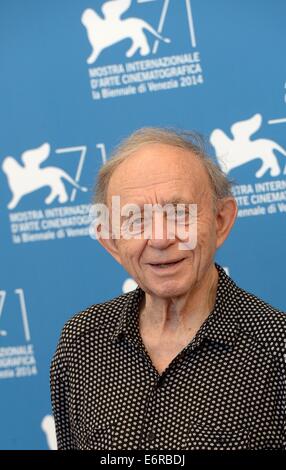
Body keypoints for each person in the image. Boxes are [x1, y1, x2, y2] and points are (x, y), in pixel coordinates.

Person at [50, 127, 286, 450]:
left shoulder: (276, 348)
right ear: (111, 242)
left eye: (179, 213)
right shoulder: (80, 345)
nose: (161, 238)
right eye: (136, 219)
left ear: (221, 222)